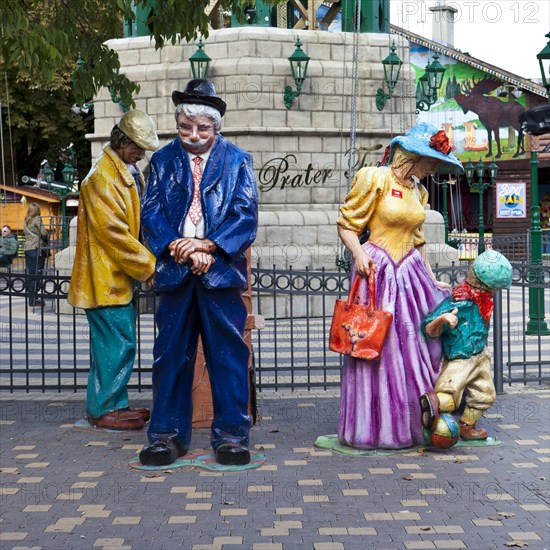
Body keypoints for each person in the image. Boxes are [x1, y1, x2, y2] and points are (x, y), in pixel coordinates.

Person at [139, 79, 258, 467]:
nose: (193, 135)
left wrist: (210, 246)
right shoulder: (161, 160)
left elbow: (245, 216)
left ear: (216, 128)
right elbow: (151, 211)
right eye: (185, 126)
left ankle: (231, 435)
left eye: (202, 128)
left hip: (220, 274)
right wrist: (176, 245)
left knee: (227, 356)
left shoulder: (238, 160)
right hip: (176, 272)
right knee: (170, 354)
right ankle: (166, 435)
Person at [336, 122, 463, 449]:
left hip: (409, 273)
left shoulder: (418, 191)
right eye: (431, 159)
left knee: (416, 340)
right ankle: (375, 426)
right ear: (413, 155)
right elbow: (348, 224)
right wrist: (358, 252)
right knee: (378, 344)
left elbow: (417, 239)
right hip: (377, 272)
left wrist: (430, 275)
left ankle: (412, 421)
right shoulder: (374, 178)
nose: (434, 166)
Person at [68, 110, 159, 431]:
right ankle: (104, 408)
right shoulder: (101, 178)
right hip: (105, 281)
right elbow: (114, 235)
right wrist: (149, 267)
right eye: (137, 146)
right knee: (116, 343)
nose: (142, 153)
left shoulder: (124, 170)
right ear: (122, 141)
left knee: (117, 342)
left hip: (116, 279)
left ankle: (113, 402)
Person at [420, 250, 513, 441]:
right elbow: (427, 327)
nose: (496, 292)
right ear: (486, 284)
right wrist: (443, 319)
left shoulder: (484, 299)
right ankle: (431, 407)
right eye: (495, 288)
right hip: (460, 357)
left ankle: (466, 426)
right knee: (449, 393)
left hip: (480, 354)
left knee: (485, 395)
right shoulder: (459, 300)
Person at [24, 203, 49, 307]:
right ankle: (33, 300)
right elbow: (44, 233)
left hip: (28, 249)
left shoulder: (26, 220)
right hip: (36, 249)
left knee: (31, 274)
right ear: (37, 210)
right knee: (37, 274)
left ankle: (32, 298)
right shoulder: (37, 219)